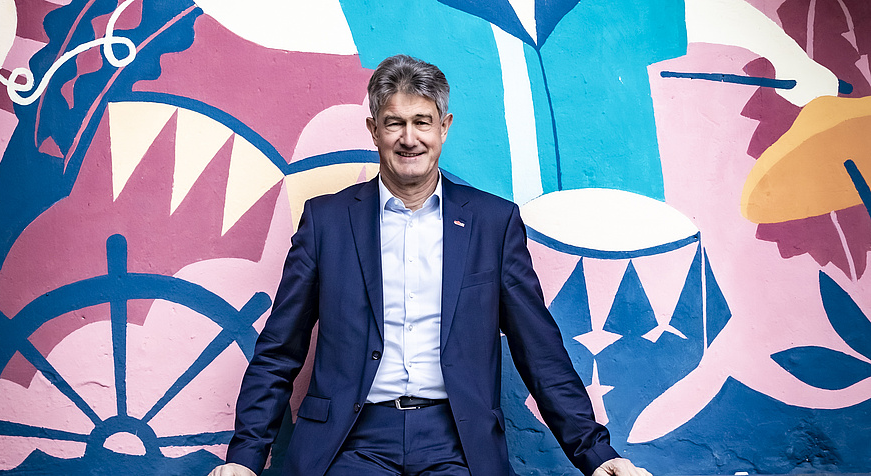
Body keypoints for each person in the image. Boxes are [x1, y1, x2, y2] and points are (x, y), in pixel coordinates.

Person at [208, 55, 652, 476]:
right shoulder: (326, 221)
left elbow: (540, 351)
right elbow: (280, 348)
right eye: (394, 123)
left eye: (422, 122)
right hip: (351, 440)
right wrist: (245, 457)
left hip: (456, 439)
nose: (409, 138)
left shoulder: (493, 224)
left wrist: (595, 453)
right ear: (374, 130)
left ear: (445, 127)